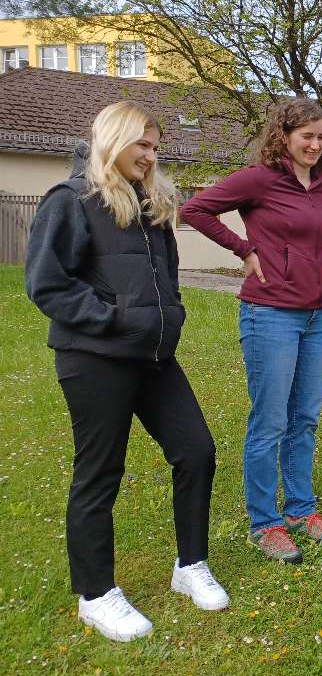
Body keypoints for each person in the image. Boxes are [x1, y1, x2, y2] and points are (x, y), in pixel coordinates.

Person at [25, 101, 229, 641]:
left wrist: (170, 315)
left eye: (155, 147)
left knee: (196, 450)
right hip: (94, 359)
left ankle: (190, 566)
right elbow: (46, 283)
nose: (150, 155)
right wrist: (114, 320)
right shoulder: (70, 201)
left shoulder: (151, 206)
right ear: (114, 141)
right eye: (143, 144)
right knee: (100, 472)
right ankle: (95, 594)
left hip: (154, 357)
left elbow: (166, 278)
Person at [180, 97, 322, 563]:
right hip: (270, 314)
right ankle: (265, 522)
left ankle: (300, 510)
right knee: (270, 421)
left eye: (321, 136)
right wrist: (243, 248)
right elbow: (195, 210)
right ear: (284, 136)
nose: (315, 144)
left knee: (305, 418)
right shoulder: (260, 180)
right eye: (306, 136)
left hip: (318, 315)